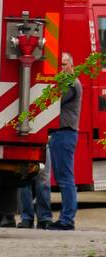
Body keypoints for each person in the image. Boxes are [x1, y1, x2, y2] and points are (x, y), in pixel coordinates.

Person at [45, 52, 81, 230]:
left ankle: (67, 220)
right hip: (61, 135)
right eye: (59, 65)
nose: (61, 68)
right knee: (62, 178)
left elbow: (53, 100)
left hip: (65, 134)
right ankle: (66, 218)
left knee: (65, 179)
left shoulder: (70, 83)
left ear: (71, 65)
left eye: (64, 64)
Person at [18, 144, 53, 229]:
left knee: (42, 181)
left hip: (43, 144)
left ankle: (42, 218)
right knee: (24, 181)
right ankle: (30, 218)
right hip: (23, 143)